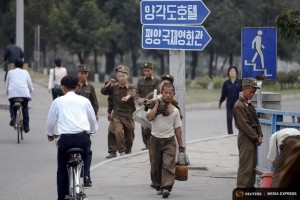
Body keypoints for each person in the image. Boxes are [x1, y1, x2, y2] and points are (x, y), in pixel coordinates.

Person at [45, 75, 98, 200]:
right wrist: (93, 130)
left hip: (66, 140)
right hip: (82, 138)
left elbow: (50, 122)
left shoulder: (57, 102)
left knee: (62, 170)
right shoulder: (85, 101)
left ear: (63, 88)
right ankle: (86, 175)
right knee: (88, 152)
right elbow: (92, 120)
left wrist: (50, 133)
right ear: (77, 87)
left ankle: (62, 197)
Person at [146, 83, 185, 199]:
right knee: (155, 165)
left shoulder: (175, 111)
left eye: (170, 93)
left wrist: (181, 144)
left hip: (169, 141)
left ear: (174, 94)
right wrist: (156, 106)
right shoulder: (156, 105)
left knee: (168, 164)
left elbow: (178, 129)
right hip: (155, 140)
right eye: (165, 93)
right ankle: (158, 185)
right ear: (161, 93)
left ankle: (166, 187)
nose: (168, 95)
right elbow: (149, 118)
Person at [233, 77, 263, 188]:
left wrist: (260, 135)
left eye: (254, 92)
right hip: (246, 139)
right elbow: (245, 126)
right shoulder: (239, 106)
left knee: (252, 167)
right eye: (251, 91)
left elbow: (256, 122)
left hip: (252, 138)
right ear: (244, 89)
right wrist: (256, 137)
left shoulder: (249, 105)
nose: (252, 94)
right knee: (245, 167)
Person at [101, 64, 136, 155]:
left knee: (130, 133)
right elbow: (104, 92)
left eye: (123, 76)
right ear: (116, 76)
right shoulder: (114, 86)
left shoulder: (131, 86)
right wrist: (109, 84)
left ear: (127, 76)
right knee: (117, 131)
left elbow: (132, 92)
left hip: (128, 115)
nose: (121, 78)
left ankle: (128, 150)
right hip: (117, 115)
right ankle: (121, 151)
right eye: (119, 76)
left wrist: (128, 97)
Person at [75, 64, 99, 187]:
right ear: (78, 73)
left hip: (85, 120)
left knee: (87, 150)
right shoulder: (74, 86)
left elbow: (94, 103)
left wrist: (95, 115)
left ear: (87, 74)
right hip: (74, 118)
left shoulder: (91, 87)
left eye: (85, 73)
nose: (83, 75)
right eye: (81, 73)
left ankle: (87, 174)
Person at [136, 62, 160, 150]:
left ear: (152, 70)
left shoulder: (157, 80)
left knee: (153, 124)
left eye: (148, 71)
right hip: (143, 106)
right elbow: (137, 92)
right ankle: (146, 144)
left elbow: (155, 91)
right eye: (145, 71)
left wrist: (145, 99)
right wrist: (138, 99)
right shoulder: (140, 80)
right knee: (143, 125)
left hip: (153, 105)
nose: (146, 72)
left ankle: (153, 144)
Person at [6, 58, 33, 133]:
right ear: (22, 65)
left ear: (14, 65)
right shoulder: (25, 72)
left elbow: (7, 84)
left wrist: (7, 93)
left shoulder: (10, 72)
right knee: (25, 109)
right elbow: (30, 84)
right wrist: (31, 91)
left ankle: (13, 117)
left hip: (13, 94)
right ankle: (26, 127)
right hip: (24, 94)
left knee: (12, 106)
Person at [219, 66, 242, 135]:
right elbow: (223, 94)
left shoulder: (240, 82)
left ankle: (241, 133)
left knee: (239, 120)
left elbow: (243, 93)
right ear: (228, 73)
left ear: (236, 73)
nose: (232, 72)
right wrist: (220, 102)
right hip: (229, 104)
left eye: (233, 71)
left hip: (239, 104)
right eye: (231, 71)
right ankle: (230, 133)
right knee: (229, 119)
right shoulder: (226, 83)